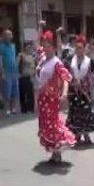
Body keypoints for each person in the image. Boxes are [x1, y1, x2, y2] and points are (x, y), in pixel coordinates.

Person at [34, 30, 76, 163]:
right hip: (42, 98)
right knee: (45, 125)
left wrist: (64, 94)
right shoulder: (43, 58)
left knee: (52, 125)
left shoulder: (56, 62)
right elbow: (37, 45)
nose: (44, 48)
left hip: (51, 99)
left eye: (47, 46)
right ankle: (54, 153)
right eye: (44, 45)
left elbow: (66, 78)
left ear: (53, 47)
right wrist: (40, 28)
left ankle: (58, 152)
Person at [64, 35, 94, 144]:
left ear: (84, 48)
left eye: (80, 47)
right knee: (75, 113)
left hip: (85, 92)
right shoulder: (70, 59)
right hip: (74, 90)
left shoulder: (89, 61)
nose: (78, 49)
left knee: (85, 112)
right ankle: (77, 134)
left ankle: (86, 134)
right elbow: (64, 71)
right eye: (77, 47)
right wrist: (72, 81)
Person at [0, 29, 19, 115]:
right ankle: (7, 109)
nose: (9, 37)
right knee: (7, 91)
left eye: (10, 35)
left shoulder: (13, 46)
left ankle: (13, 108)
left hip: (14, 71)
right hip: (6, 72)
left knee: (14, 91)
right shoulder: (0, 47)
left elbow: (14, 58)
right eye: (7, 35)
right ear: (3, 37)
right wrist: (1, 71)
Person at [18, 41, 36, 114]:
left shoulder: (32, 56)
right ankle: (23, 109)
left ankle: (30, 109)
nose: (29, 48)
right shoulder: (21, 55)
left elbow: (34, 65)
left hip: (30, 76)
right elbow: (17, 64)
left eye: (30, 46)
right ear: (24, 47)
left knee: (30, 93)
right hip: (23, 76)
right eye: (27, 46)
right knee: (23, 93)